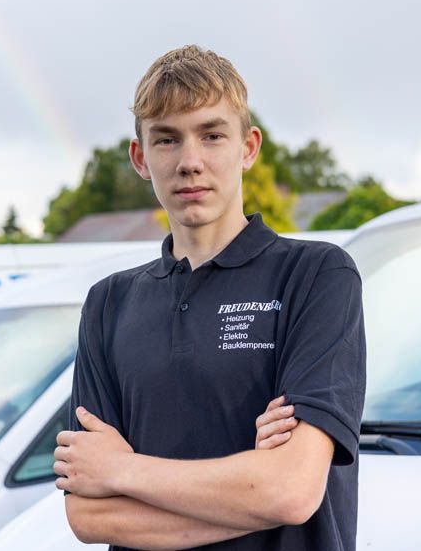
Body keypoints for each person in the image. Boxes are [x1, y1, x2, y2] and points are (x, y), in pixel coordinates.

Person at [53, 45, 366, 550]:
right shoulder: (108, 304)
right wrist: (254, 489)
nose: (189, 162)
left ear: (248, 148)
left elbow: (290, 491)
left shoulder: (317, 275)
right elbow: (89, 516)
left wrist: (123, 469)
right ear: (141, 158)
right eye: (167, 140)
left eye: (212, 135)